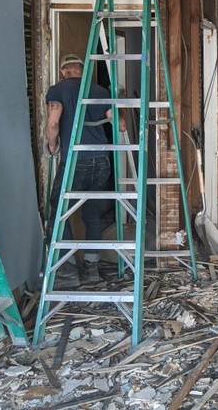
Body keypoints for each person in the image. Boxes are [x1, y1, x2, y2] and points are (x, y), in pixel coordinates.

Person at [45, 53, 125, 287]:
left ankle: (68, 272)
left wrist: (52, 146)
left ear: (63, 72)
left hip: (76, 160)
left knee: (59, 212)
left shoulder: (57, 90)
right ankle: (92, 269)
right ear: (83, 70)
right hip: (101, 162)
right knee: (91, 215)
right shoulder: (99, 91)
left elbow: (52, 123)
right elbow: (119, 125)